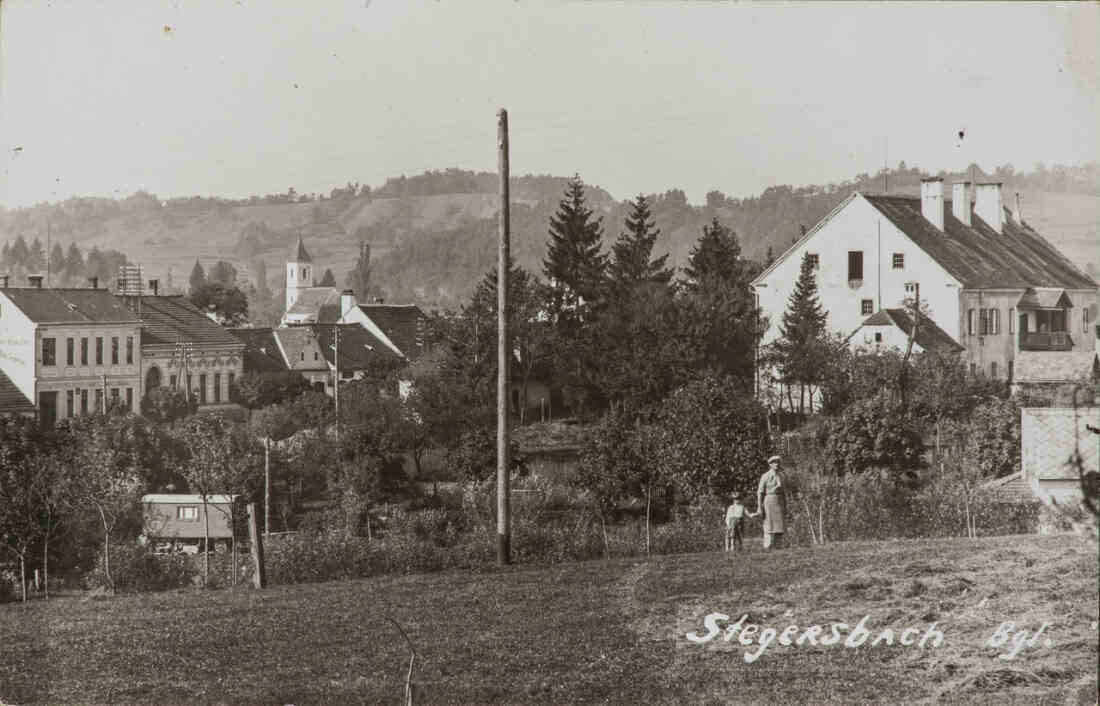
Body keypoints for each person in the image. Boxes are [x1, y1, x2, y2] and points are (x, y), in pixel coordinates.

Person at [755, 455, 787, 550]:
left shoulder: (781, 476)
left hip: (779, 501)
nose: (776, 464)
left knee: (779, 525)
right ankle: (767, 546)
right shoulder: (765, 476)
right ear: (770, 464)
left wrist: (785, 506)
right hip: (769, 500)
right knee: (768, 524)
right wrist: (759, 506)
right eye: (774, 462)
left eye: (778, 462)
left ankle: (778, 546)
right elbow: (760, 492)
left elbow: (784, 492)